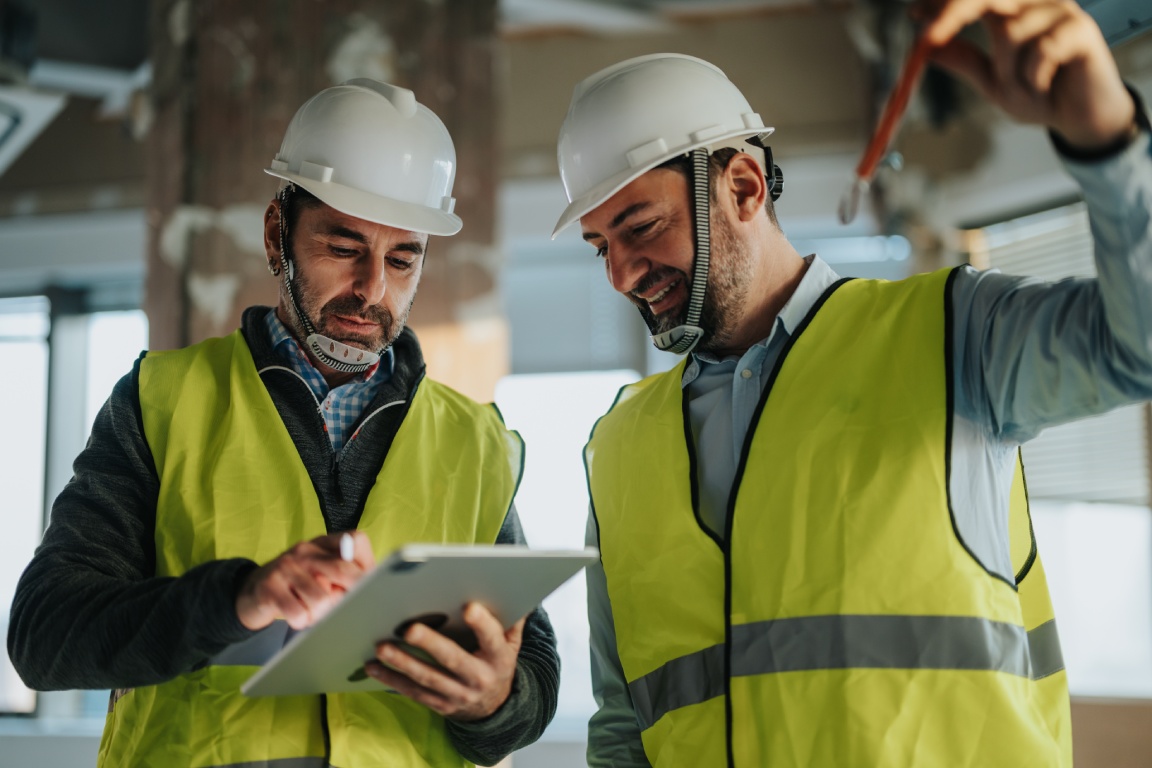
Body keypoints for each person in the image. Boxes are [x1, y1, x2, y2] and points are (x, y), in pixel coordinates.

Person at [554, 0, 1152, 764]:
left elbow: (1137, 349)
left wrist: (1109, 144)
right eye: (598, 245)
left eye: (640, 229)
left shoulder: (949, 336)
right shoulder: (620, 446)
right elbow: (624, 729)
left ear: (743, 187)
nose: (620, 274)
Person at [8, 79, 558, 768]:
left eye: (401, 259)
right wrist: (238, 598)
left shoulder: (475, 441)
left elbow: (531, 677)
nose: (372, 290)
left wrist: (495, 703)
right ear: (278, 237)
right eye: (343, 247)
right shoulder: (163, 401)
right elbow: (45, 637)